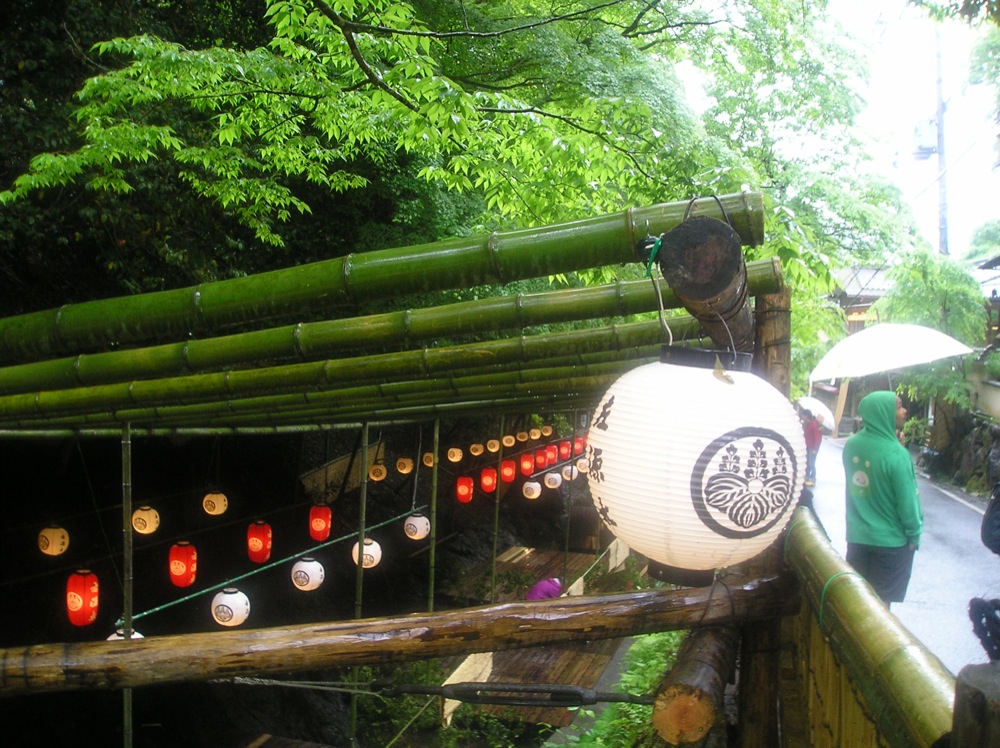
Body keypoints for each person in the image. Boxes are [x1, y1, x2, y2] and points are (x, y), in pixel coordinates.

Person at [842, 391, 923, 606]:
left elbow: (872, 479)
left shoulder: (851, 446)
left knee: (857, 604)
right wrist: (915, 535)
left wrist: (895, 444)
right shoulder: (897, 455)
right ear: (883, 413)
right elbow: (907, 503)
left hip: (858, 539)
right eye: (898, 406)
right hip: (891, 544)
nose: (904, 411)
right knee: (880, 610)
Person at [802, 409, 822, 487]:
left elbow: (816, 437)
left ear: (806, 416)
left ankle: (813, 478)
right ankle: (807, 476)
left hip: (813, 446)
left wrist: (814, 448)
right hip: (808, 446)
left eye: (803, 415)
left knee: (812, 462)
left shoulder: (813, 424)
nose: (802, 417)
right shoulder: (807, 424)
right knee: (807, 462)